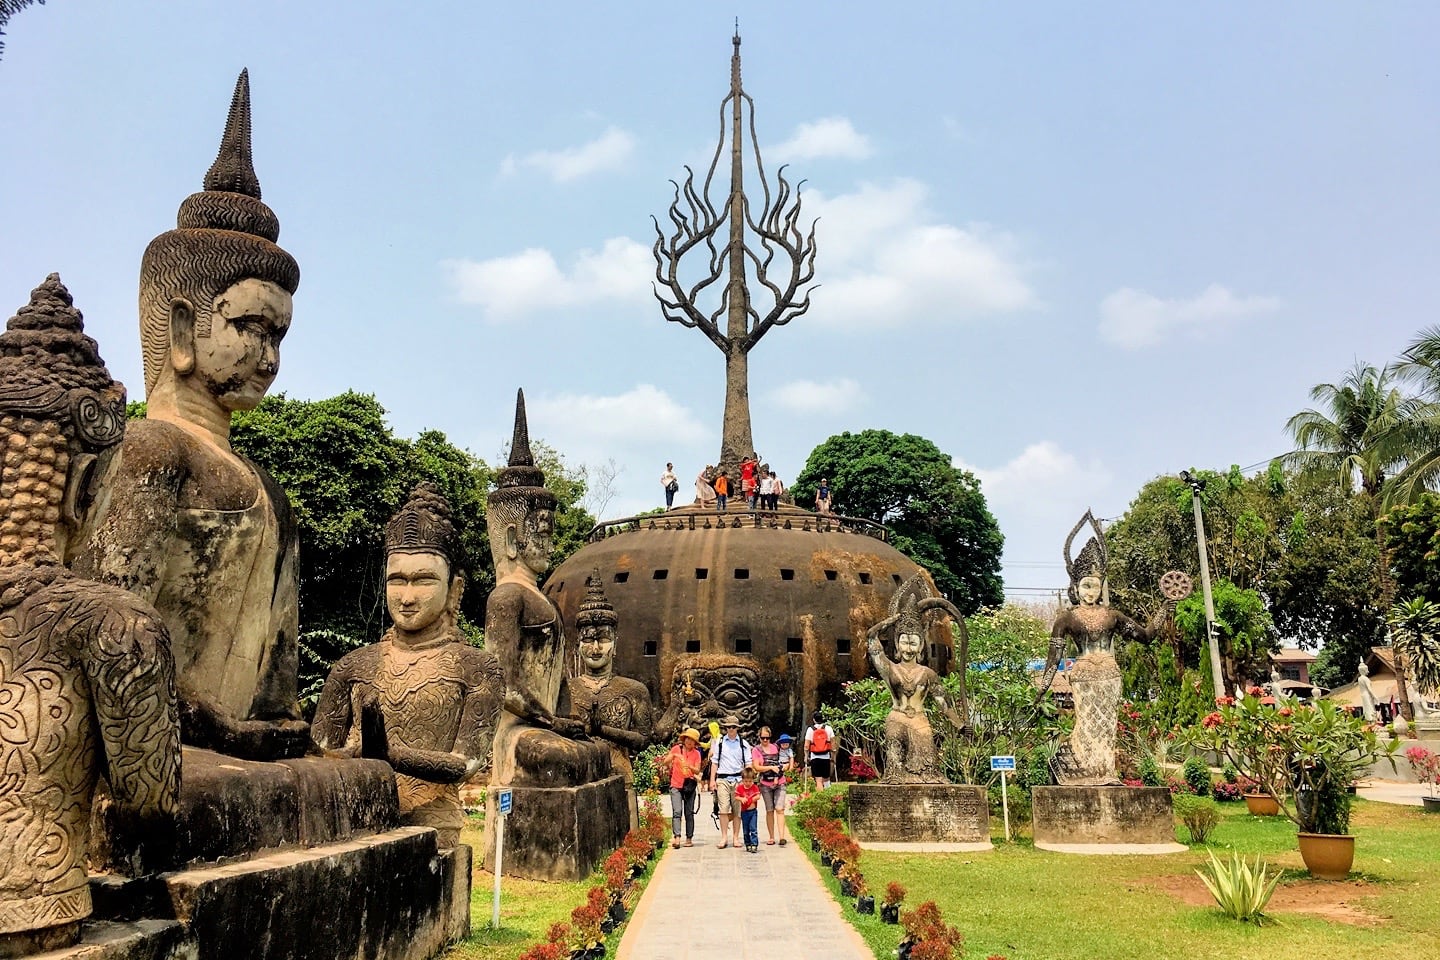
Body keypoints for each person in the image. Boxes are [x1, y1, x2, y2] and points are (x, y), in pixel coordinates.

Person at [707, 714, 751, 848]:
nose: (731, 729)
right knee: (723, 809)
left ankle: (736, 838)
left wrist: (749, 782)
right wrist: (712, 780)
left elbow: (748, 763)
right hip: (723, 779)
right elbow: (714, 763)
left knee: (737, 810)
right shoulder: (720, 743)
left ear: (737, 728)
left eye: (733, 727)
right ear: (725, 728)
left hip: (738, 779)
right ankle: (724, 837)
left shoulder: (743, 744)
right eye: (728, 727)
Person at [661, 727, 703, 848]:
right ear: (684, 739)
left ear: (695, 743)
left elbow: (697, 769)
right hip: (676, 784)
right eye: (687, 739)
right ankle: (677, 837)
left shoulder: (696, 753)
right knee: (677, 811)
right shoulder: (676, 749)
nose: (689, 742)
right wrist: (673, 756)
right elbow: (666, 761)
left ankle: (689, 837)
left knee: (689, 812)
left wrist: (689, 765)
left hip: (689, 785)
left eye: (692, 740)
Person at [752, 727, 793, 845]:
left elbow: (786, 757)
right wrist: (770, 767)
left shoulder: (776, 747)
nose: (765, 740)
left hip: (780, 781)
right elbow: (757, 767)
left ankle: (781, 837)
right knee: (769, 810)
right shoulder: (756, 750)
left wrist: (786, 766)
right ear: (759, 737)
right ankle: (771, 836)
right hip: (765, 783)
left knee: (780, 809)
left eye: (767, 738)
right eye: (763, 738)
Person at [804, 712, 836, 790]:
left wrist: (806, 756)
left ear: (814, 720)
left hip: (815, 757)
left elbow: (806, 746)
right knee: (826, 778)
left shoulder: (810, 729)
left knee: (818, 780)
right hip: (826, 757)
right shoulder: (828, 728)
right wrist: (833, 756)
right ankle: (828, 796)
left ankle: (821, 798)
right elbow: (833, 744)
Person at [736, 767, 762, 853]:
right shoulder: (740, 788)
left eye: (750, 781)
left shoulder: (754, 787)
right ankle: (747, 844)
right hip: (744, 812)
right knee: (746, 830)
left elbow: (758, 796)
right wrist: (741, 799)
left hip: (753, 811)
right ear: (742, 780)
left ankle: (754, 844)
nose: (748, 783)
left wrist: (752, 799)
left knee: (753, 828)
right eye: (746, 781)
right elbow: (736, 796)